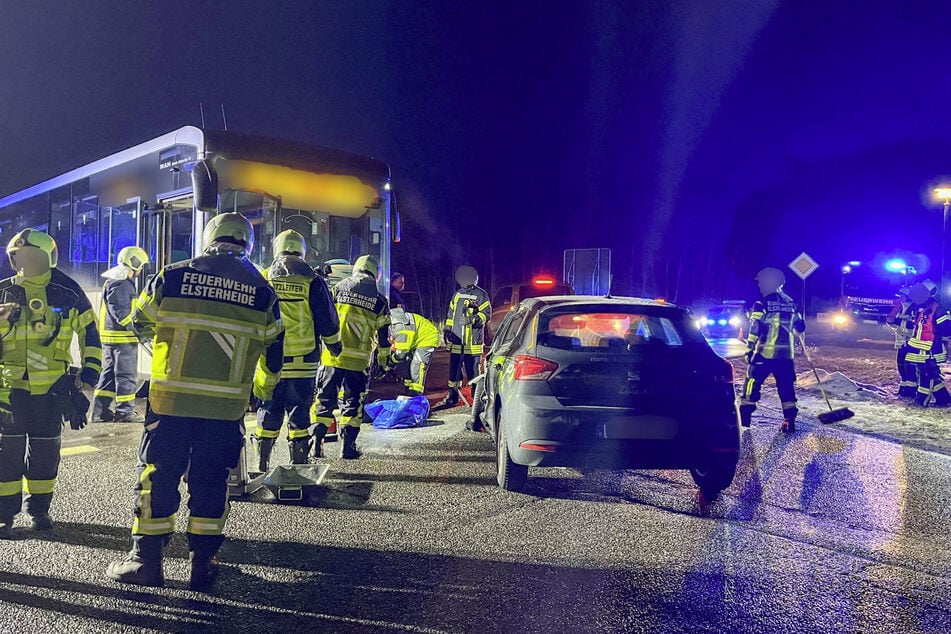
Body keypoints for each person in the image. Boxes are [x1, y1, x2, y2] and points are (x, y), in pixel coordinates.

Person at [106, 213, 284, 589]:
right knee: (211, 481)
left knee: (158, 474)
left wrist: (165, 351)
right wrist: (260, 391)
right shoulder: (262, 289)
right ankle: (203, 564)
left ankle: (145, 562)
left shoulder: (173, 274)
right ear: (247, 243)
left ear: (210, 236)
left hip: (170, 400)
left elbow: (139, 321)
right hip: (225, 408)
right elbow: (273, 350)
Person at [0, 229, 101, 539]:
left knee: (45, 454)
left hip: (51, 391)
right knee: (6, 454)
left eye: (32, 256)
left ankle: (39, 510)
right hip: (8, 390)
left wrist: (88, 380)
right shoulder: (2, 292)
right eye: (19, 256)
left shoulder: (67, 291)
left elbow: (91, 336)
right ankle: (4, 516)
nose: (25, 262)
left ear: (48, 259)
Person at [255, 230, 341, 469]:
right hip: (304, 363)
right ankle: (299, 463)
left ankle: (262, 463)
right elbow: (328, 318)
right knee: (299, 412)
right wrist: (335, 347)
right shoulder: (312, 280)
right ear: (301, 251)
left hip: (270, 361)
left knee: (269, 410)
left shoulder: (263, 277)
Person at [311, 255, 389, 459]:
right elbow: (383, 337)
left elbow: (325, 316)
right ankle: (348, 447)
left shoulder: (337, 288)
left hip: (332, 357)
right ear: (375, 273)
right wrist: (383, 363)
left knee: (324, 400)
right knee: (353, 402)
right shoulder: (379, 300)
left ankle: (315, 444)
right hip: (359, 361)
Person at [739, 267, 805, 433]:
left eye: (761, 282)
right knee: (786, 388)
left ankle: (744, 419)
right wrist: (799, 326)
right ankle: (789, 420)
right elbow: (799, 327)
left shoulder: (762, 304)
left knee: (751, 384)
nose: (759, 286)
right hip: (786, 356)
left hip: (764, 354)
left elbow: (754, 329)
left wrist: (749, 350)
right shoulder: (791, 303)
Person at [93, 246, 150, 422]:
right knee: (126, 376)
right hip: (122, 339)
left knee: (109, 376)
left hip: (112, 338)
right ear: (135, 262)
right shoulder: (122, 282)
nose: (141, 269)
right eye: (140, 265)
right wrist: (137, 329)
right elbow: (123, 314)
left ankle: (99, 412)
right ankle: (124, 412)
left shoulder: (115, 280)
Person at [437, 265, 490, 408]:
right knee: (454, 371)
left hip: (472, 342)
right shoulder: (457, 295)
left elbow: (486, 314)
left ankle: (477, 398)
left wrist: (472, 320)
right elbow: (450, 315)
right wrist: (447, 331)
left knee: (474, 371)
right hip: (457, 340)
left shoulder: (481, 295)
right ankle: (452, 396)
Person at [904, 281, 951, 407]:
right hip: (918, 347)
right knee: (928, 374)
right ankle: (944, 399)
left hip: (931, 349)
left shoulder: (939, 308)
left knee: (927, 374)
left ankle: (921, 400)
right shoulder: (922, 308)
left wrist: (938, 330)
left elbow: (946, 329)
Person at [388, 308, 439, 396]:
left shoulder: (401, 328)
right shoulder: (394, 323)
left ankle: (416, 394)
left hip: (427, 338)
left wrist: (390, 363)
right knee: (406, 364)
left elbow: (401, 354)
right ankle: (408, 391)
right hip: (415, 339)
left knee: (417, 364)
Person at [885, 286, 918, 398]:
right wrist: (891, 322)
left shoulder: (914, 308)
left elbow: (912, 328)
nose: (900, 298)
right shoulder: (900, 308)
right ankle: (903, 389)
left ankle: (911, 391)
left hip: (909, 343)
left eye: (902, 296)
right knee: (901, 368)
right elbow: (898, 326)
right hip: (901, 343)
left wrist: (897, 323)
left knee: (910, 369)